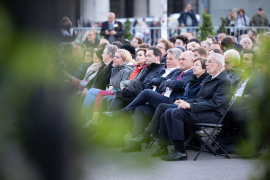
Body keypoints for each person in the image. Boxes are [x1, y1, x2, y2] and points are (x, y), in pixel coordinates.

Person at [130, 58, 209, 155]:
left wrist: (184, 101)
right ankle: (163, 148)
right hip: (184, 105)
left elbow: (199, 98)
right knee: (163, 114)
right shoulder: (192, 80)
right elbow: (184, 94)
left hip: (194, 108)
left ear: (205, 68)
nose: (194, 67)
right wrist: (179, 99)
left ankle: (147, 134)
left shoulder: (205, 81)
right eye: (194, 64)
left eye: (197, 65)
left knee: (162, 106)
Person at [161, 53, 232, 161]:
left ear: (218, 65)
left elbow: (215, 103)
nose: (206, 64)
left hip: (215, 114)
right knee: (169, 111)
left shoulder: (224, 81)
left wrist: (190, 106)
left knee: (176, 113)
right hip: (203, 110)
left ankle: (180, 151)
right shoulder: (210, 77)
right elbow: (199, 97)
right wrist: (184, 101)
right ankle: (174, 146)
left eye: (209, 62)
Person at [120, 50, 194, 151]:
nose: (180, 61)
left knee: (147, 93)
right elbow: (160, 81)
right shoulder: (177, 72)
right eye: (180, 59)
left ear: (192, 61)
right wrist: (167, 82)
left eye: (183, 59)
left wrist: (167, 82)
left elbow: (177, 84)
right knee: (140, 109)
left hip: (172, 101)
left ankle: (125, 111)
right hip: (163, 99)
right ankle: (135, 145)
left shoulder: (191, 73)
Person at [81, 49, 135, 124]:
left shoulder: (126, 70)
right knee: (92, 94)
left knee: (97, 92)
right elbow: (110, 83)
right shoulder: (115, 68)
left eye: (117, 57)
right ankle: (87, 121)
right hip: (111, 91)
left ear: (124, 59)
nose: (114, 58)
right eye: (114, 56)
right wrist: (110, 86)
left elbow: (122, 86)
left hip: (118, 93)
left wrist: (112, 88)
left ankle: (92, 119)